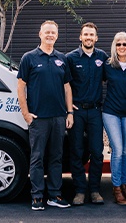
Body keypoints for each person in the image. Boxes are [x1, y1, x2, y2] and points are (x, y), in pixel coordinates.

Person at [17, 20, 74, 211]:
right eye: (47, 32)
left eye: (53, 33)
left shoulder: (62, 58)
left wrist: (70, 113)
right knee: (37, 157)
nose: (50, 35)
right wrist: (25, 113)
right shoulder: (29, 58)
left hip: (58, 117)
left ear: (57, 36)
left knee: (56, 157)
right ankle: (37, 196)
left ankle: (55, 195)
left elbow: (67, 88)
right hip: (38, 118)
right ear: (40, 34)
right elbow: (21, 86)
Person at [64, 22, 108, 206]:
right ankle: (80, 190)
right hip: (77, 111)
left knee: (97, 152)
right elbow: (64, 85)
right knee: (76, 151)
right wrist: (68, 108)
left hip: (96, 111)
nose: (89, 37)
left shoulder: (103, 57)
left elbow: (111, 79)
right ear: (80, 37)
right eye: (86, 34)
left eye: (92, 35)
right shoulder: (71, 58)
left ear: (96, 38)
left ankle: (95, 190)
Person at [102, 31, 126, 205]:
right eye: (118, 44)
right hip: (111, 112)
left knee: (125, 150)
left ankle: (124, 186)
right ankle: (116, 188)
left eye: (124, 44)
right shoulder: (108, 65)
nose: (121, 47)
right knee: (117, 149)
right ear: (114, 47)